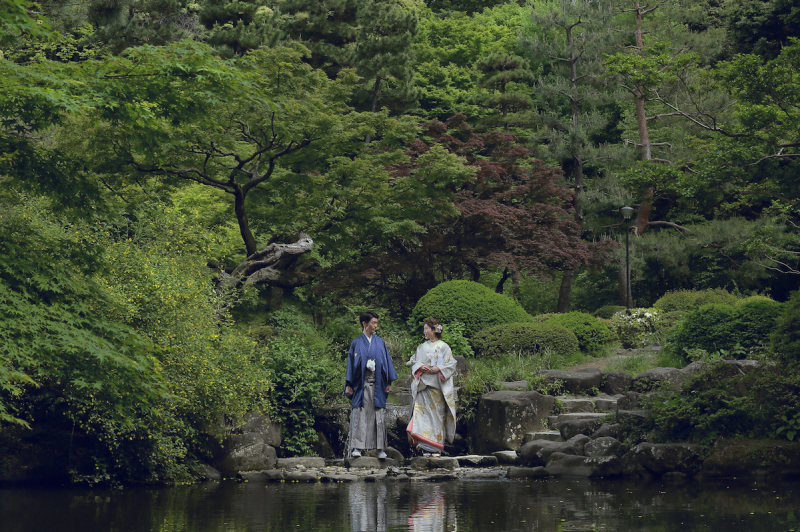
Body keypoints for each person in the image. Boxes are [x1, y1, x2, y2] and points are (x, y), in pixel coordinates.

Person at [345, 311, 398, 459]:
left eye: (376, 323)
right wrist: (349, 384)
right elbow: (351, 364)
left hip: (378, 383)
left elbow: (387, 362)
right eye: (373, 323)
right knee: (360, 412)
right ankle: (357, 447)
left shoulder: (380, 342)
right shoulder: (356, 343)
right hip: (361, 383)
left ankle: (380, 448)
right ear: (365, 324)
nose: (376, 326)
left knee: (378, 414)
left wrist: (388, 382)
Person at [406, 318, 457, 457]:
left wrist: (438, 368)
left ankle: (436, 448)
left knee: (437, 417)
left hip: (437, 387)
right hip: (423, 387)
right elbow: (412, 361)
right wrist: (419, 367)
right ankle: (425, 447)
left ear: (434, 330)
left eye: (426, 329)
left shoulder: (444, 347)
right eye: (424, 329)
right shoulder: (421, 347)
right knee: (423, 416)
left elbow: (451, 364)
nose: (424, 332)